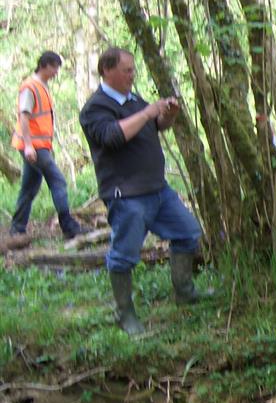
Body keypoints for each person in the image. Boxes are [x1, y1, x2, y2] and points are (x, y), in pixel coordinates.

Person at [79, 47, 203, 336]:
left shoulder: (134, 99)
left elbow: (155, 126)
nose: (132, 75)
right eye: (127, 70)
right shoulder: (95, 108)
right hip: (126, 195)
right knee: (124, 255)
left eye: (133, 70)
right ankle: (124, 313)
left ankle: (184, 292)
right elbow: (113, 136)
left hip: (158, 190)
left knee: (187, 232)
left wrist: (167, 116)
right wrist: (147, 112)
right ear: (107, 70)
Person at [9, 51, 81, 239]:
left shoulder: (42, 86)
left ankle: (17, 229)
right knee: (58, 181)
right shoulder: (30, 87)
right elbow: (24, 116)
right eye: (54, 67)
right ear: (44, 66)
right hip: (33, 146)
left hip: (39, 145)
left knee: (30, 187)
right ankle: (69, 227)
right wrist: (28, 145)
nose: (56, 72)